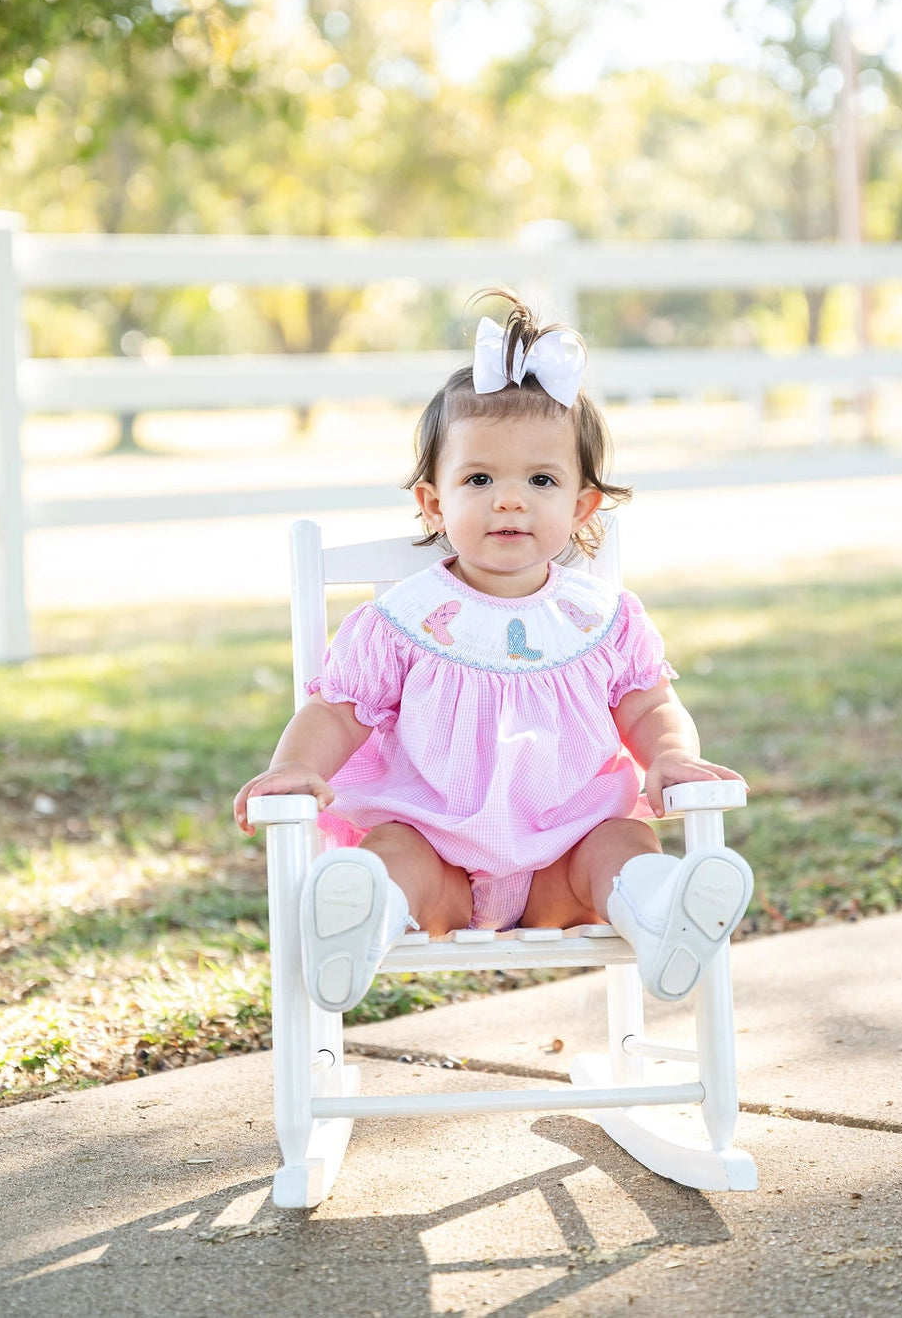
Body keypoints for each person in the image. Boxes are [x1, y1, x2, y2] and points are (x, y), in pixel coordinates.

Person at [234, 290, 753, 1015]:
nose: (510, 500)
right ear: (433, 502)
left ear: (580, 507)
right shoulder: (398, 622)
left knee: (623, 843)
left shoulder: (602, 619)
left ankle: (664, 914)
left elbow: (650, 702)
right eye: (479, 479)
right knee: (391, 854)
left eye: (540, 480)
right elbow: (338, 712)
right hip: (436, 852)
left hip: (563, 857)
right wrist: (293, 768)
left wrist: (667, 756)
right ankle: (359, 923)